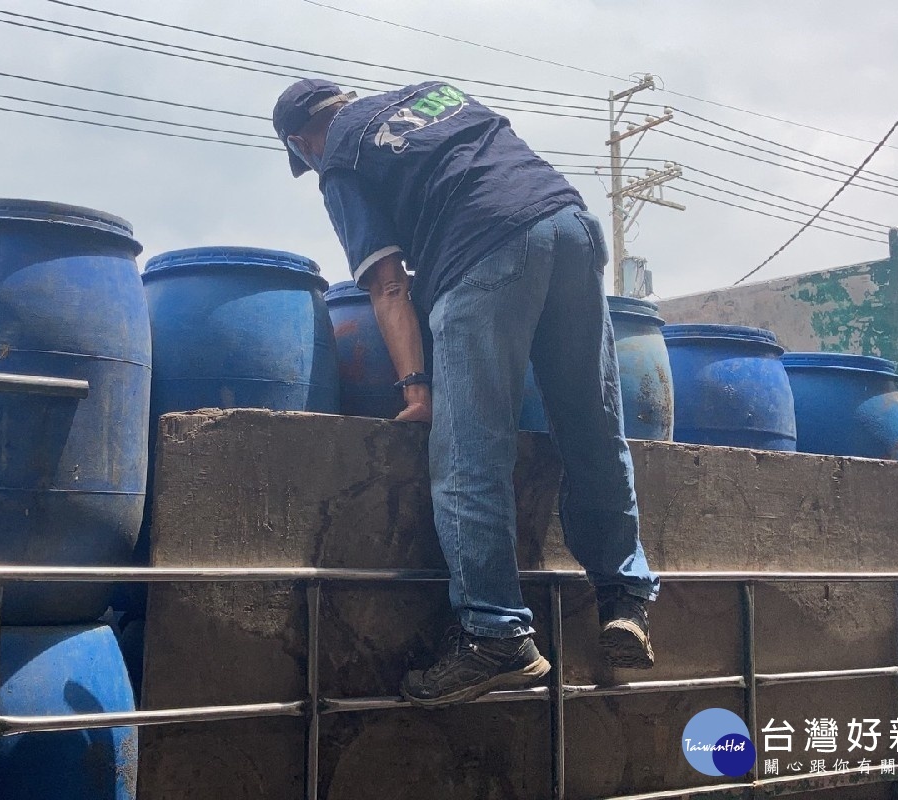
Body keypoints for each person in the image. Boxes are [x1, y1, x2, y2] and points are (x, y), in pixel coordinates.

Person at [272, 78, 660, 708]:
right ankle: (626, 600)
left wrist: (417, 388)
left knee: (469, 454)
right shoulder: (435, 94)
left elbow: (388, 287)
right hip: (569, 225)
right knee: (590, 424)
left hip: (484, 254)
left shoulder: (338, 161)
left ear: (302, 141)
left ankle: (496, 633)